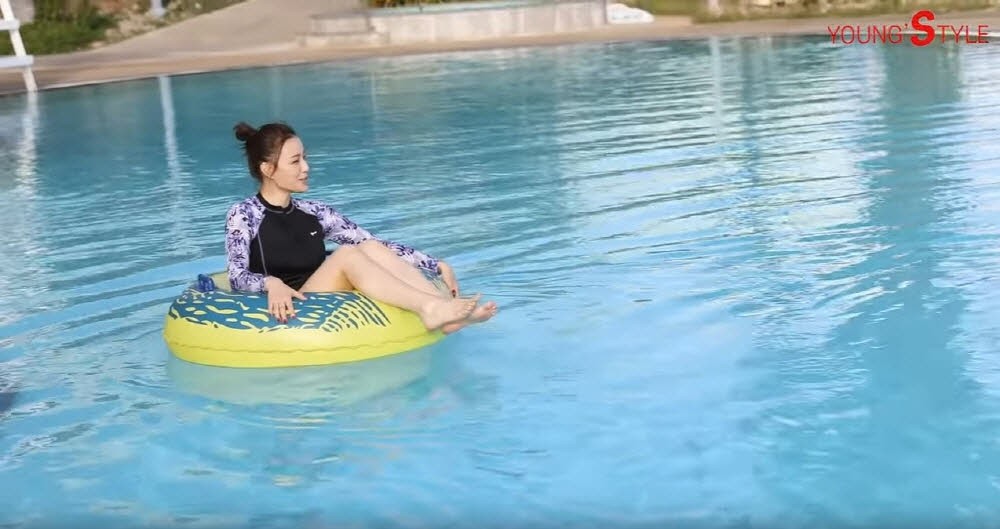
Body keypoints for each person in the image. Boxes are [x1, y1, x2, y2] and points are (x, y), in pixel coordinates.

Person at [224, 121, 497, 334]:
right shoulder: (244, 214)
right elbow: (236, 275)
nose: (306, 167)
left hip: (321, 296)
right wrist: (271, 283)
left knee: (368, 247)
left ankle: (444, 310)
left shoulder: (315, 212)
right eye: (295, 161)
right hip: (288, 307)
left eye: (305, 158)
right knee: (346, 255)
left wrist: (436, 265)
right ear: (268, 169)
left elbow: (374, 244)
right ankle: (430, 308)